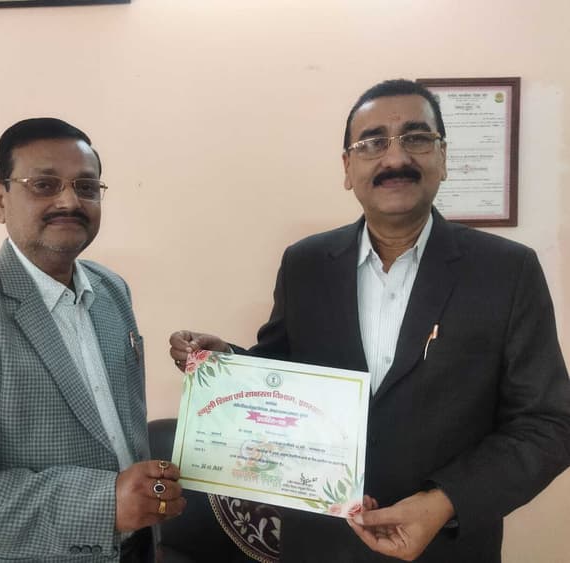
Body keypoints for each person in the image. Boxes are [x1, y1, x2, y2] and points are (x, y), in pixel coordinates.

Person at [169, 79, 570, 562]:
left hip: (446, 547)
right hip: (320, 547)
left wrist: (445, 502)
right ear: (347, 167)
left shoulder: (506, 270)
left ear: (443, 158)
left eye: (416, 138)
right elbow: (284, 381)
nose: (395, 158)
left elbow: (549, 424)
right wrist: (227, 364)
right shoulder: (305, 264)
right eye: (372, 143)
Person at [0, 117, 185, 562]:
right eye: (44, 184)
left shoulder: (112, 290)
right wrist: (105, 504)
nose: (69, 200)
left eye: (86, 187)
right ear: (0, 200)